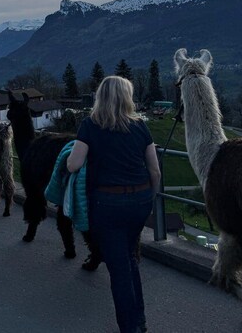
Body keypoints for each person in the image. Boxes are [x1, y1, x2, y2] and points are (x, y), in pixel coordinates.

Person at [67, 76, 161, 333]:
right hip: (140, 200)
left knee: (119, 269)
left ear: (101, 97)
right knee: (130, 259)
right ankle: (139, 321)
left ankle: (131, 328)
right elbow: (154, 170)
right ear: (126, 97)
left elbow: (73, 164)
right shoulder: (141, 126)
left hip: (107, 204)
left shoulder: (90, 126)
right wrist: (149, 199)